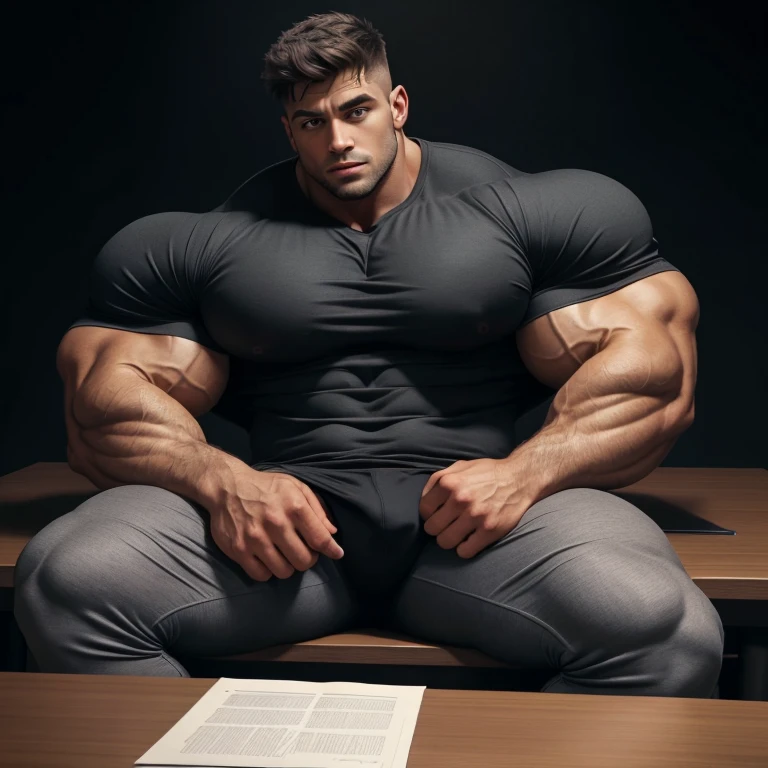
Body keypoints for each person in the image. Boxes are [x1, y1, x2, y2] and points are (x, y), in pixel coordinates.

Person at [14, 11, 724, 696]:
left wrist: (524, 473)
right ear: (288, 130)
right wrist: (223, 482)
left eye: (356, 111)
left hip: (479, 532)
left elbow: (652, 380)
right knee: (65, 580)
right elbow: (103, 410)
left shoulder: (531, 212)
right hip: (285, 544)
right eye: (312, 122)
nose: (338, 141)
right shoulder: (200, 246)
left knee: (665, 631)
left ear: (399, 104)